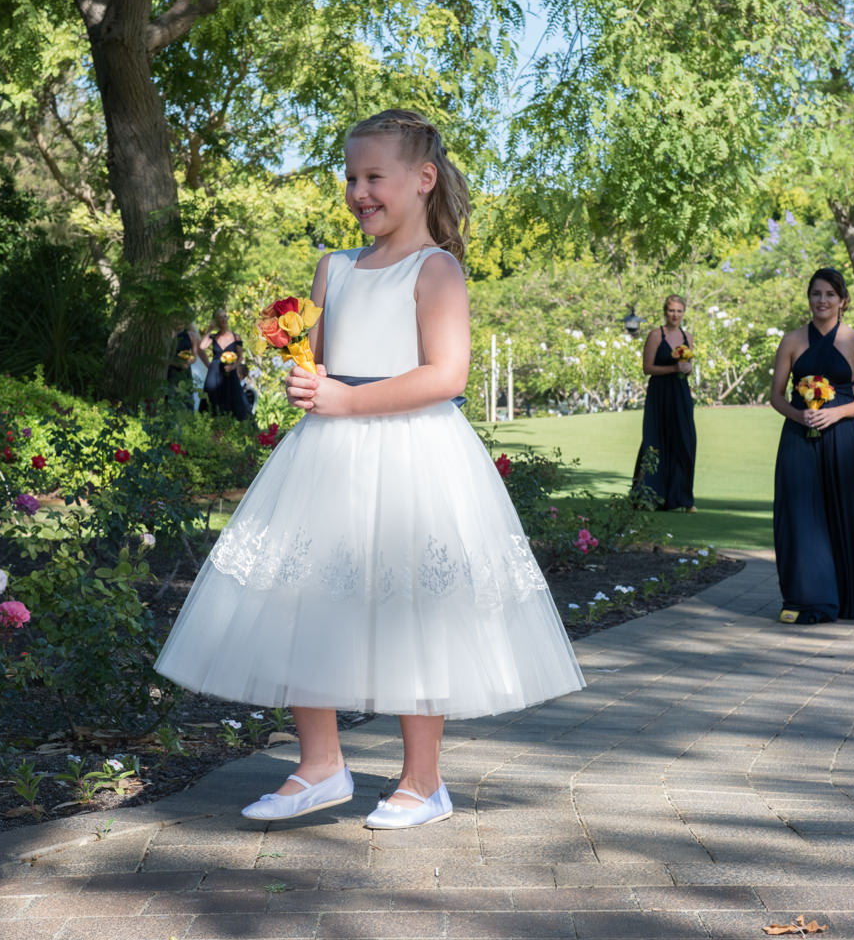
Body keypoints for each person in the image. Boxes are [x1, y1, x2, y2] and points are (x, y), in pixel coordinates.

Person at [155, 109, 585, 829]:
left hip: (411, 448)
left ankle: (424, 782)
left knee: (414, 603)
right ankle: (320, 765)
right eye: (351, 178)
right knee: (302, 592)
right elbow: (318, 356)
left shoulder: (436, 270)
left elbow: (446, 375)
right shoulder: (335, 266)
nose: (359, 192)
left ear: (421, 180)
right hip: (330, 453)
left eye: (374, 177)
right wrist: (300, 369)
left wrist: (347, 402)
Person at [768, 267, 854, 624]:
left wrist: (837, 414)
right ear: (809, 299)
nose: (821, 301)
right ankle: (807, 597)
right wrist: (799, 417)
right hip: (799, 437)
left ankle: (850, 596)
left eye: (829, 294)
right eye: (815, 294)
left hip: (843, 439)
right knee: (800, 514)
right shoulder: (792, 341)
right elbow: (776, 396)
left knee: (845, 511)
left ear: (843, 301)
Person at [634, 294, 697, 511]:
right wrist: (673, 369)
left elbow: (687, 367)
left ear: (683, 313)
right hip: (659, 394)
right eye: (671, 310)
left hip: (680, 394)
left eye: (679, 311)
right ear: (665, 311)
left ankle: (680, 498)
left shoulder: (688, 336)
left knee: (684, 440)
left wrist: (687, 369)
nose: (675, 315)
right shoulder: (655, 335)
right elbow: (647, 368)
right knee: (656, 439)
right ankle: (648, 496)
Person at [199, 309, 252, 419]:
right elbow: (202, 347)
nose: (223, 319)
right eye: (220, 317)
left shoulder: (235, 336)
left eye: (225, 316)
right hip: (214, 373)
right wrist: (209, 330)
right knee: (212, 400)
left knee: (234, 401)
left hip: (230, 372)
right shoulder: (213, 337)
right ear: (216, 321)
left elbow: (240, 357)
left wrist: (233, 367)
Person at [169, 320, 208, 411]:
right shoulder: (170, 334)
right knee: (172, 395)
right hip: (172, 369)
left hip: (185, 369)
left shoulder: (191, 335)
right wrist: (176, 363)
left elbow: (194, 356)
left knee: (187, 397)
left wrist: (187, 363)